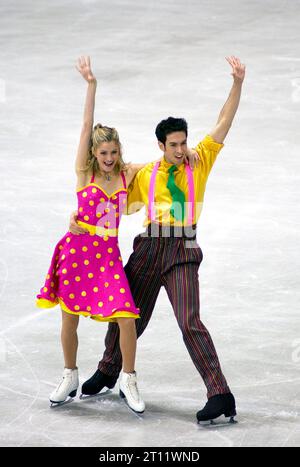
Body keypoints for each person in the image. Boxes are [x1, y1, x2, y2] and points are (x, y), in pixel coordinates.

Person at [69, 56, 246, 423]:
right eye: (174, 145)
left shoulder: (201, 160)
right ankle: (108, 369)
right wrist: (80, 221)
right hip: (148, 247)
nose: (181, 150)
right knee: (126, 312)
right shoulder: (145, 174)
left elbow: (223, 123)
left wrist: (237, 84)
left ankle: (220, 393)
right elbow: (108, 188)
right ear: (161, 145)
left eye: (183, 143)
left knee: (189, 321)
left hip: (182, 249)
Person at [36, 56, 149, 413]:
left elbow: (160, 164)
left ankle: (128, 378)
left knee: (127, 317)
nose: (110, 157)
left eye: (114, 152)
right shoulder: (84, 173)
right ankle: (69, 374)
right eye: (104, 152)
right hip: (75, 253)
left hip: (107, 258)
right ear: (94, 153)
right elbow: (86, 124)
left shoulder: (126, 175)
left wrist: (186, 154)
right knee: (69, 318)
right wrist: (91, 86)